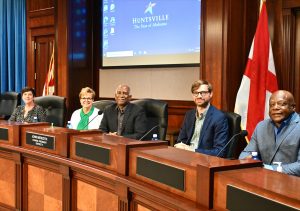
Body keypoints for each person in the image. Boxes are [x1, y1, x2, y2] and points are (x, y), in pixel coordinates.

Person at [239, 90, 300, 176]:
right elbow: (245, 154)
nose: (275, 107)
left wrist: (270, 168)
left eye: (281, 104)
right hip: (263, 180)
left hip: (292, 184)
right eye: (272, 105)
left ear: (293, 107)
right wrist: (248, 159)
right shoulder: (261, 126)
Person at [174, 80, 229, 157]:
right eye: (196, 93)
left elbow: (220, 152)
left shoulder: (219, 118)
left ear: (211, 94)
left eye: (203, 93)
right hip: (186, 157)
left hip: (205, 161)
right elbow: (181, 141)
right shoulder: (189, 115)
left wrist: (193, 150)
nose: (199, 96)